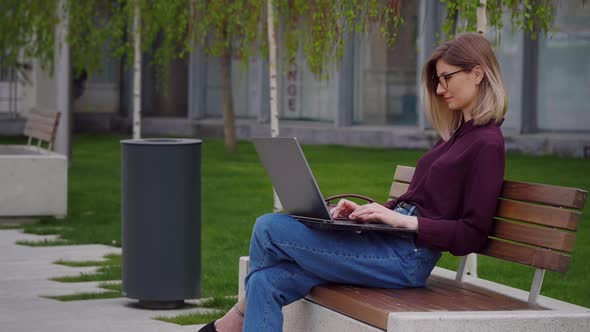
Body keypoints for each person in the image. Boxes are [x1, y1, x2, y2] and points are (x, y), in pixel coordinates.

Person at [199, 32, 507, 332]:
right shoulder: (457, 137)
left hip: (405, 259)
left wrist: (402, 222)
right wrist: (368, 213)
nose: (440, 90)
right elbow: (423, 201)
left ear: (477, 73)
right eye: (437, 81)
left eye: (446, 78)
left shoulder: (487, 143)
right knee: (266, 282)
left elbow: (473, 234)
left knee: (269, 227)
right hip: (387, 243)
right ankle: (239, 317)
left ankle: (236, 319)